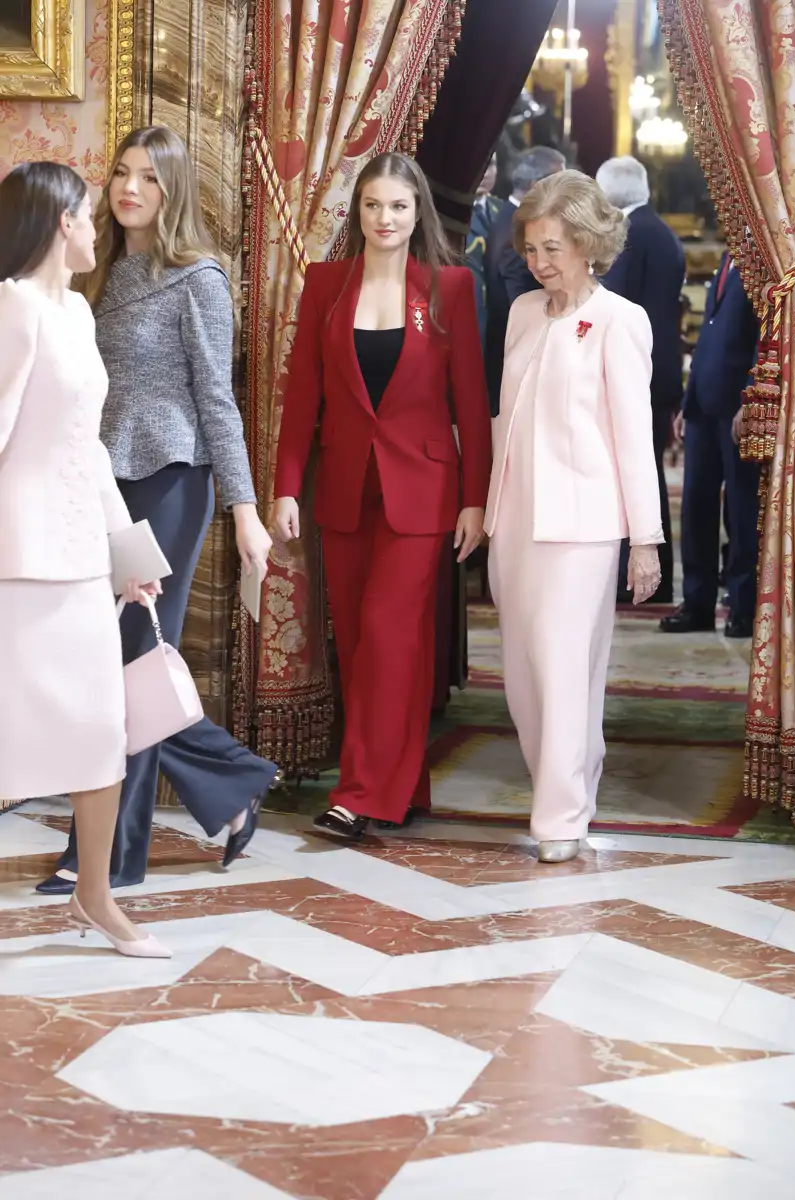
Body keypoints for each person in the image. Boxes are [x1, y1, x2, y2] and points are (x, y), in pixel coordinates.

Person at [36, 127, 278, 896]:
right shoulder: (98, 272)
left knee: (132, 660)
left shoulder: (198, 278)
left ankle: (102, 857)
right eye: (121, 174)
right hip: (102, 485)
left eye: (148, 177)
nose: (129, 188)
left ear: (172, 191)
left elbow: (218, 401)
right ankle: (231, 786)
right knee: (109, 664)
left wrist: (244, 508)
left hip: (171, 484)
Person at [271, 151, 491, 840]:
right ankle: (406, 783)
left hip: (424, 493)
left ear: (417, 210)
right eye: (372, 206)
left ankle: (360, 792)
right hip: (343, 491)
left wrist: (476, 501)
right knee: (363, 643)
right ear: (357, 212)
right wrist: (283, 488)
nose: (385, 218)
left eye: (398, 206)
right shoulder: (326, 284)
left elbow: (471, 405)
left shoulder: (451, 288)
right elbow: (302, 393)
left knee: (392, 638)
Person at [0, 162, 169, 957]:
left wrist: (129, 552)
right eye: (88, 215)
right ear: (58, 221)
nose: (98, 227)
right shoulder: (15, 307)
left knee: (102, 731)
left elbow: (88, 450)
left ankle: (96, 898)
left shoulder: (74, 313)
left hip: (80, 562)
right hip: (20, 562)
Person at [485, 170, 662, 865]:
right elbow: (505, 419)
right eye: (531, 248)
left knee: (562, 669)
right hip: (517, 520)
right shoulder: (526, 312)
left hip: (583, 527)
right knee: (525, 676)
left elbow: (632, 437)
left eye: (553, 247)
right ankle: (569, 786)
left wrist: (645, 540)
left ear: (589, 244)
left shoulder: (621, 321)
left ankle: (559, 818)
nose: (540, 262)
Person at [596, 156, 686, 605]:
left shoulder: (632, 235)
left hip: (641, 373)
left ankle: (648, 580)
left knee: (638, 476)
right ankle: (654, 579)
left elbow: (617, 303)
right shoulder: (659, 230)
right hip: (658, 370)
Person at [660, 250, 760, 637]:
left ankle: (743, 604)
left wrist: (753, 398)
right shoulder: (727, 255)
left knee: (741, 507)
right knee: (695, 506)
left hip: (737, 406)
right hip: (702, 404)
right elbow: (710, 331)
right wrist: (687, 404)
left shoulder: (765, 254)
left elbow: (767, 337)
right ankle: (697, 602)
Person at [484, 146, 566, 415]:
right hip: (521, 364)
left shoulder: (512, 217)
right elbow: (518, 303)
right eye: (559, 181)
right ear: (537, 184)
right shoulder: (517, 226)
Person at [465, 154, 503, 347]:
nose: (485, 172)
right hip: (467, 319)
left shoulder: (503, 210)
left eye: (492, 165)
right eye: (479, 163)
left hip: (500, 320)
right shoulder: (444, 215)